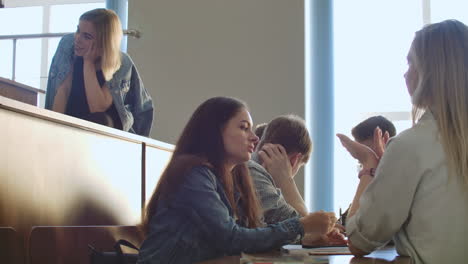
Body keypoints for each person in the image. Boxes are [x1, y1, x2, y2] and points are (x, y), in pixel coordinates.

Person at [137, 97, 337, 264]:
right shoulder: (193, 174)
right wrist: (301, 226)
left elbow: (254, 235)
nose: (255, 138)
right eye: (244, 128)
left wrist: (310, 235)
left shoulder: (234, 175)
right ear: (215, 131)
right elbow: (232, 239)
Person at [337, 20, 468, 264]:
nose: (405, 73)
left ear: (429, 72)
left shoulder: (411, 146)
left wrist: (369, 167)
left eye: (410, 62)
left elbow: (358, 241)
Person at [45, 8, 154, 137]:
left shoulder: (122, 62)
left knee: (101, 119)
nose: (77, 39)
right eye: (78, 31)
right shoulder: (68, 45)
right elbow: (63, 90)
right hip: (73, 124)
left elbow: (97, 108)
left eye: (87, 36)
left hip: (107, 131)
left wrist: (88, 62)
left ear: (104, 42)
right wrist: (54, 130)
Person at [248, 115, 311, 224]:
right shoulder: (253, 171)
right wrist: (287, 182)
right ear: (295, 160)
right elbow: (305, 228)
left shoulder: (253, 168)